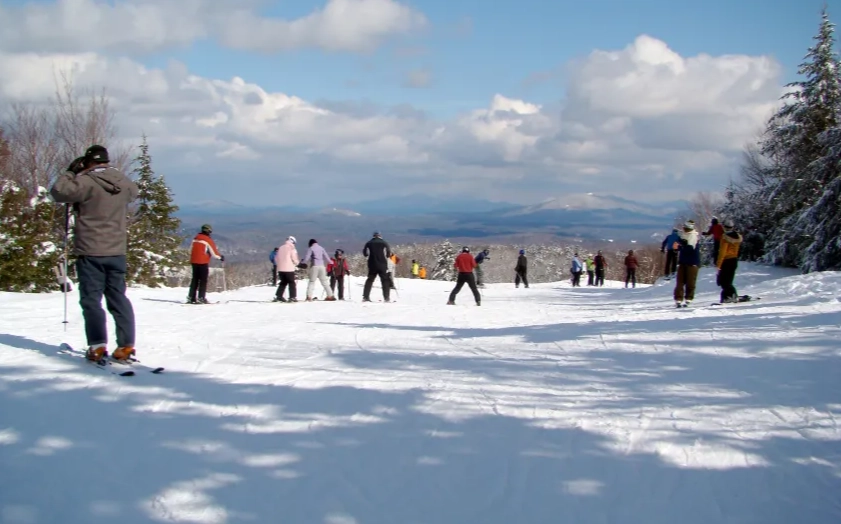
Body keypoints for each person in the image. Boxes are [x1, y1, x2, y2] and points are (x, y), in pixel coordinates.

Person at [49, 144, 139, 362]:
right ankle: (126, 345)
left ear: (87, 162)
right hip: (117, 249)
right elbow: (134, 192)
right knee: (118, 296)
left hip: (91, 249)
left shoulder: (85, 182)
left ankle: (98, 345)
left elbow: (58, 192)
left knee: (91, 299)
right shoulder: (123, 183)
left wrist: (70, 172)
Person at [188, 224, 224, 304]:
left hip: (194, 261)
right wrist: (220, 257)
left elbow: (189, 250)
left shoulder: (195, 238)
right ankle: (201, 298)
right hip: (203, 262)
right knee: (203, 280)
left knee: (195, 280)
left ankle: (191, 297)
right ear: (209, 231)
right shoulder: (207, 240)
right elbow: (214, 253)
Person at [673, 220, 700, 307]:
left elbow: (690, 249)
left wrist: (680, 247)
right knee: (680, 281)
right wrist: (676, 248)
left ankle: (688, 298)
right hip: (683, 261)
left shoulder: (693, 236)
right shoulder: (682, 236)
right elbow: (680, 247)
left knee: (690, 282)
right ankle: (678, 299)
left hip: (692, 262)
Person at [717, 219, 743, 303]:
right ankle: (728, 296)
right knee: (728, 281)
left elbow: (722, 252)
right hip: (734, 260)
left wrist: (719, 264)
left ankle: (732, 296)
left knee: (724, 282)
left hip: (726, 261)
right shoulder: (737, 237)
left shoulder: (725, 237)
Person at [362, 231, 392, 302]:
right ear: (380, 236)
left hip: (372, 264)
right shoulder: (384, 243)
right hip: (382, 264)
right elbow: (388, 254)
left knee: (370, 280)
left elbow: (365, 253)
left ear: (373, 236)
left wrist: (369, 256)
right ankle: (386, 297)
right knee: (385, 280)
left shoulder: (368, 243)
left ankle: (366, 297)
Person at [273, 236, 299, 302]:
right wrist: (298, 264)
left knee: (283, 282)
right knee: (291, 283)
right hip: (289, 268)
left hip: (280, 269)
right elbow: (294, 258)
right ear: (293, 241)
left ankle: (279, 296)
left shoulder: (280, 248)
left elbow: (276, 258)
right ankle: (292, 297)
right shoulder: (292, 248)